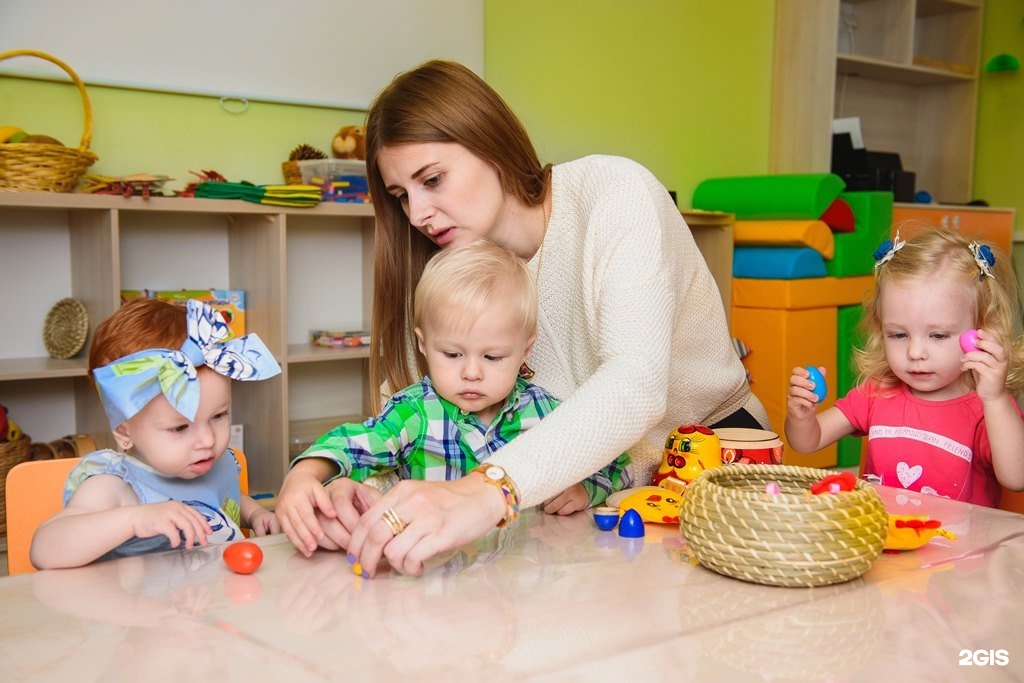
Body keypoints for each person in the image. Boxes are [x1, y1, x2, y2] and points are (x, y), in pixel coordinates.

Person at [275, 59, 768, 575]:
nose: (417, 214)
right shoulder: (446, 274)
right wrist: (342, 487)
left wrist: (487, 489)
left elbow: (635, 386)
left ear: (487, 140)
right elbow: (422, 427)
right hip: (578, 516)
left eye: (433, 179)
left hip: (716, 479)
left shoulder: (616, 194)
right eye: (402, 196)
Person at [277, 239, 634, 557]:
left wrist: (587, 489)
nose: (472, 373)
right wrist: (305, 473)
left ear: (526, 350)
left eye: (493, 357)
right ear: (422, 343)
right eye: (452, 354)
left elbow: (616, 462)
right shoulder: (415, 411)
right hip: (436, 579)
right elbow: (355, 444)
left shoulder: (545, 410)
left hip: (521, 583)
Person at [31, 298, 283, 569]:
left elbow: (223, 496)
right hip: (149, 609)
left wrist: (254, 514)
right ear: (123, 432)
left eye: (218, 416)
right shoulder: (114, 486)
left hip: (221, 602)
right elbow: (44, 550)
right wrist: (134, 519)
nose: (208, 440)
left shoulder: (208, 462)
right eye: (180, 427)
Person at [786, 228, 1024, 507]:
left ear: (981, 332)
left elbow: (1016, 478)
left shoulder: (988, 408)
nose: (915, 353)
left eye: (938, 336)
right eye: (899, 335)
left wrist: (995, 399)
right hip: (885, 541)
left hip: (960, 548)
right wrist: (801, 417)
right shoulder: (876, 393)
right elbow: (807, 443)